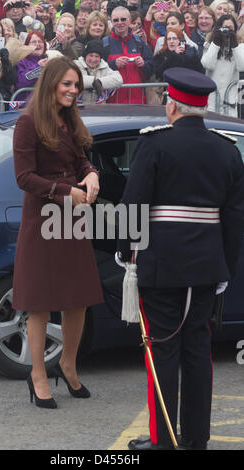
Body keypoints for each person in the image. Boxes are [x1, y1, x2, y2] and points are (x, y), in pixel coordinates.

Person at [117, 67, 244, 450]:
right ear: (202, 109)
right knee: (197, 351)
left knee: (162, 352)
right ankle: (195, 439)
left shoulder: (154, 145)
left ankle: (164, 441)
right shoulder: (226, 148)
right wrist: (226, 266)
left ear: (171, 106)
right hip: (207, 267)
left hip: (160, 266)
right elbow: (234, 217)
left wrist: (126, 253)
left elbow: (132, 204)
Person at [12, 56, 104, 408]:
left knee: (77, 299)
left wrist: (92, 172)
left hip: (72, 218)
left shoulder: (68, 118)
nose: (73, 90)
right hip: (43, 217)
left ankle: (67, 364)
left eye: (76, 85)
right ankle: (38, 375)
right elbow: (24, 178)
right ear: (50, 83)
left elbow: (80, 160)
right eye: (67, 84)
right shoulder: (28, 122)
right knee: (40, 303)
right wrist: (66, 192)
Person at [103, 6, 153, 103]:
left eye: (123, 19)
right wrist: (114, 64)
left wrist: (143, 65)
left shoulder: (139, 42)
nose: (119, 23)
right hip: (112, 103)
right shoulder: (105, 43)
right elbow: (98, 70)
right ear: (112, 22)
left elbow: (150, 70)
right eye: (116, 20)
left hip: (137, 101)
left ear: (129, 21)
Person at [201, 14, 244, 116]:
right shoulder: (210, 45)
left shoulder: (240, 47)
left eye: (230, 29)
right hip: (211, 100)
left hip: (229, 101)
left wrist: (234, 45)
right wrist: (216, 43)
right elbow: (207, 64)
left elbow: (242, 66)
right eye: (224, 28)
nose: (227, 31)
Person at [74, 39, 123, 103]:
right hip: (79, 109)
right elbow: (73, 78)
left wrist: (100, 82)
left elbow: (118, 79)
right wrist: (93, 82)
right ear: (85, 55)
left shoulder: (104, 66)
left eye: (97, 56)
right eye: (91, 55)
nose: (93, 59)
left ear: (100, 58)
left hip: (98, 110)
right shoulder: (76, 65)